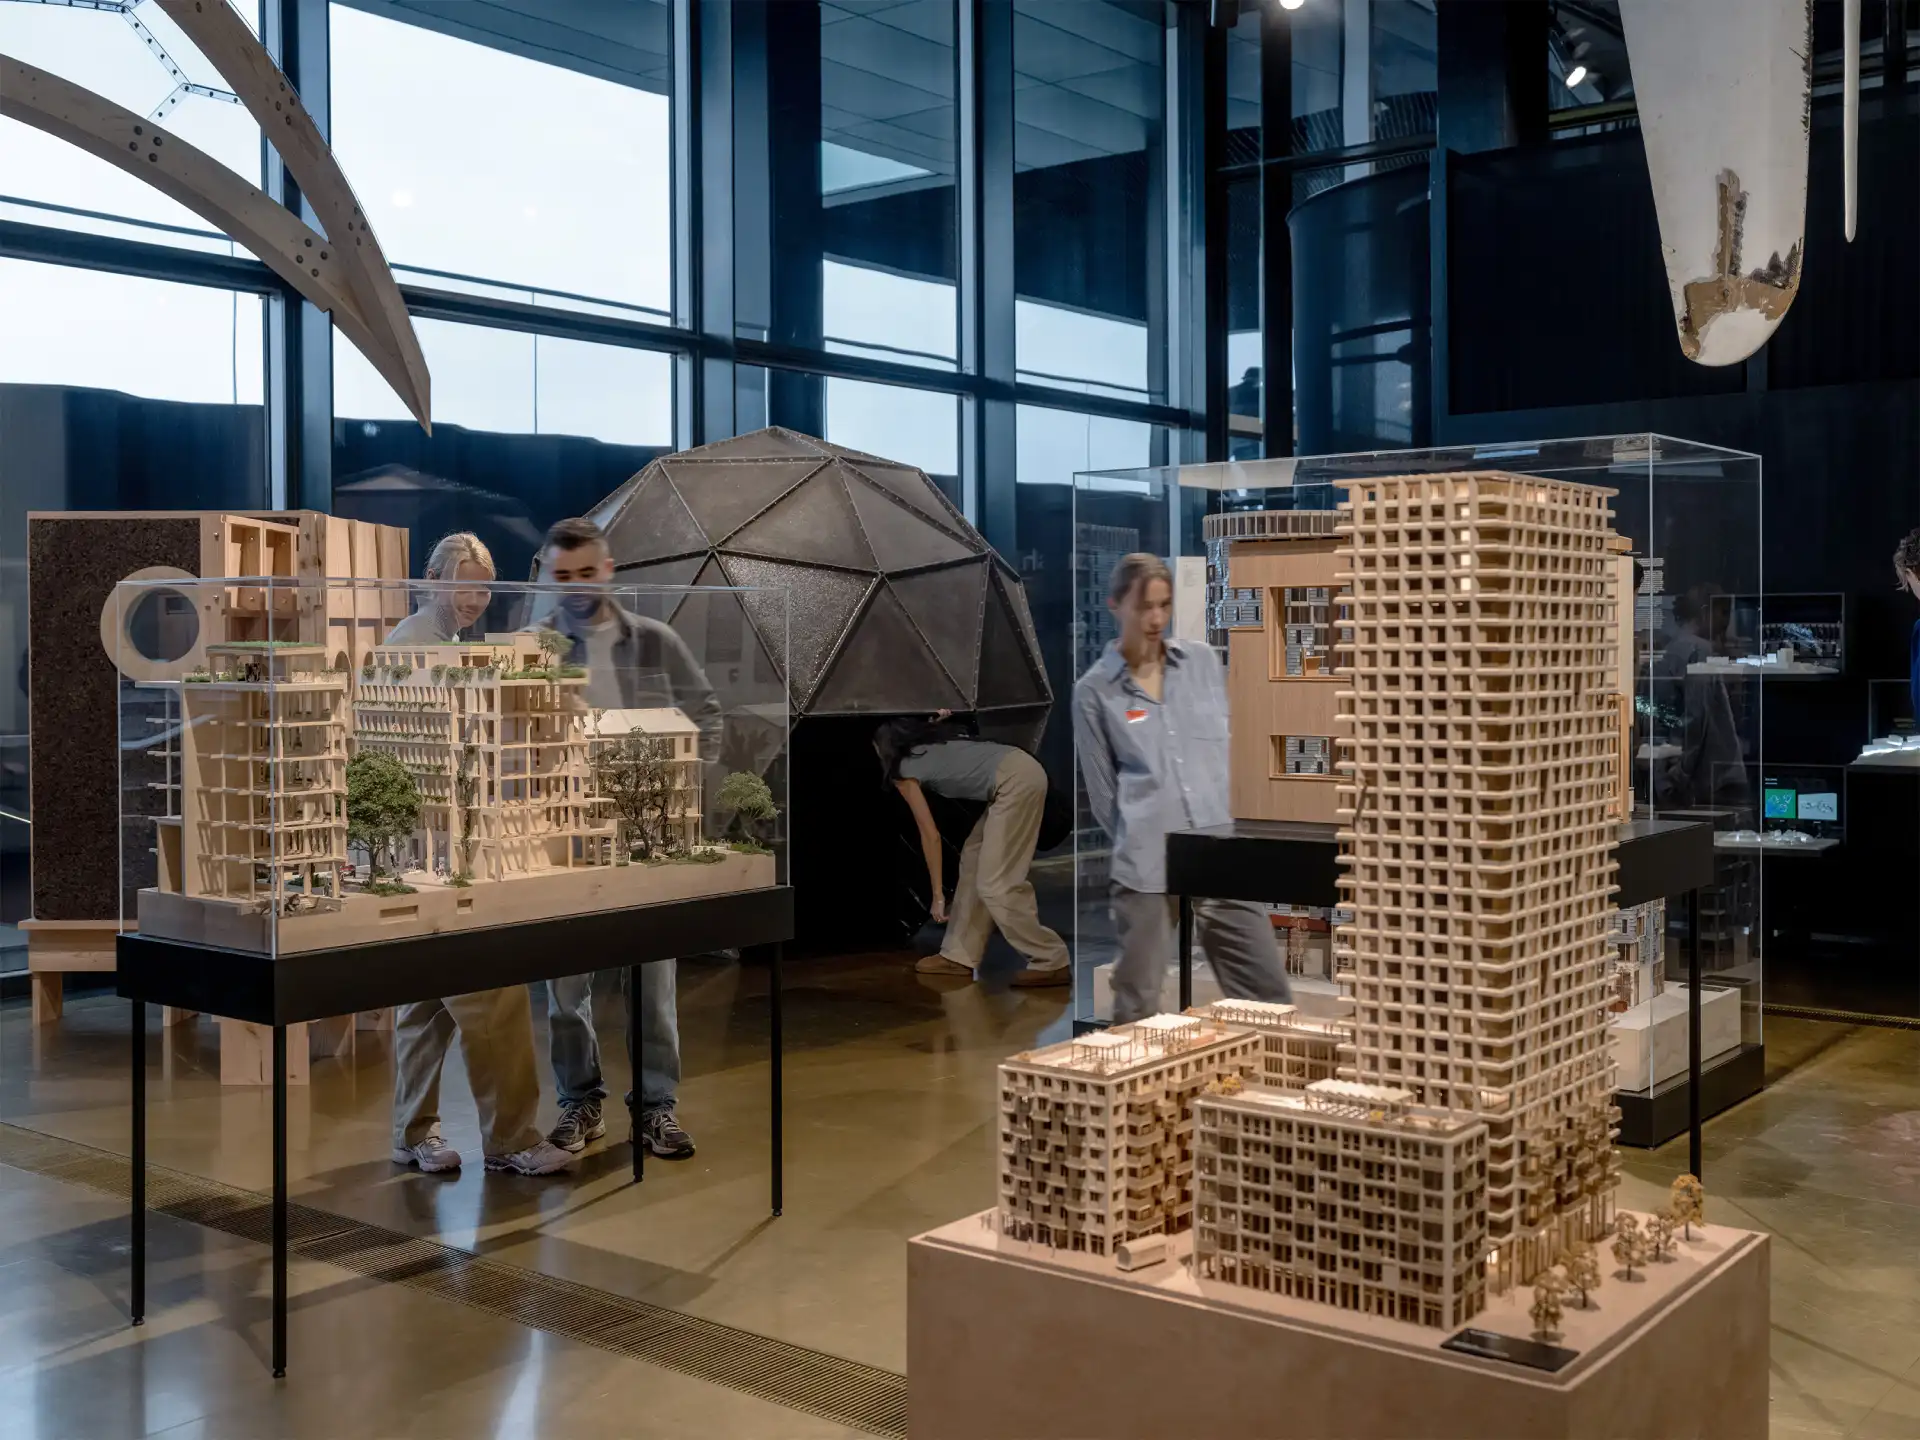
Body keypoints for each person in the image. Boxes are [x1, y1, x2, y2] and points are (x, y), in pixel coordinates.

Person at [387, 533, 574, 1177]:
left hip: (445, 835)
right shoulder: (412, 646)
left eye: (482, 585)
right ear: (430, 580)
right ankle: (511, 1137)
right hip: (438, 840)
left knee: (425, 999)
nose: (474, 596)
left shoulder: (453, 647)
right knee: (492, 990)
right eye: (462, 581)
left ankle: (414, 1133)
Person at [538, 517, 721, 1161]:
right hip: (565, 831)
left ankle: (656, 1107)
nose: (576, 587)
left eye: (587, 573)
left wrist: (687, 789)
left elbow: (705, 714)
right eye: (563, 576)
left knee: (653, 978)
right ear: (547, 575)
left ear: (608, 569)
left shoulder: (653, 640)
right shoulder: (536, 646)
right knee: (565, 985)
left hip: (646, 834)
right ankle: (579, 1103)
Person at [1073, 553, 1291, 1024]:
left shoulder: (1202, 663)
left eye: (1164, 606)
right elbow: (1103, 793)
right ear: (1116, 605)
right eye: (1144, 607)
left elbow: (1221, 751)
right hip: (1148, 863)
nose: (1155, 619)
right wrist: (1144, 842)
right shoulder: (1094, 691)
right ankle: (1133, 1095)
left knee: (1268, 995)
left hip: (1218, 850)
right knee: (1137, 1004)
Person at [878, 714, 1070, 986]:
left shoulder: (902, 772)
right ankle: (959, 955)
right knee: (974, 859)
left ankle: (1051, 959)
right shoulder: (932, 741)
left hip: (1015, 780)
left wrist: (937, 896)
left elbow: (930, 835)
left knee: (996, 882)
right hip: (1014, 774)